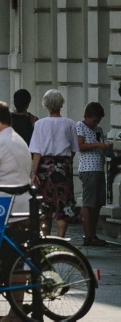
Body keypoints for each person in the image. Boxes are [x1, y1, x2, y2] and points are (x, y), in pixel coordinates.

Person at [29, 88, 77, 238]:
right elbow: (74, 148)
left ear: (46, 105)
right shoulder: (70, 123)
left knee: (45, 206)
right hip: (63, 167)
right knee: (63, 205)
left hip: (45, 168)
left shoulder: (40, 124)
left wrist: (33, 173)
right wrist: (66, 162)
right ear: (61, 104)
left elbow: (37, 152)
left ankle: (46, 238)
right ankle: (60, 239)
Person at [73, 102, 111, 247]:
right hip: (88, 169)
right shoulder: (80, 126)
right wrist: (98, 145)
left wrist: (106, 148)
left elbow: (100, 144)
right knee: (88, 202)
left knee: (98, 203)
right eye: (94, 120)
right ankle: (88, 235)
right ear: (86, 117)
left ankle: (93, 234)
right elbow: (80, 146)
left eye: (98, 121)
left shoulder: (98, 129)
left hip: (99, 168)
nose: (96, 123)